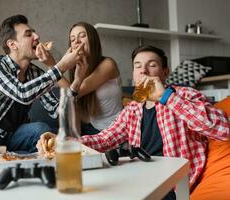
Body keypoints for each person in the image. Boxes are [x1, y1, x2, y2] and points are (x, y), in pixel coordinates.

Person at [37, 45, 230, 198]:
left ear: (165, 72)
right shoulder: (133, 109)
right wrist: (64, 142)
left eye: (152, 65)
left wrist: (166, 97)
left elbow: (222, 129)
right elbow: (105, 139)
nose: (143, 70)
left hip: (173, 185)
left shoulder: (184, 95)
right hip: (140, 179)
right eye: (137, 66)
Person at [0, 14, 84, 165]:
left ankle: (44, 173)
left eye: (35, 32)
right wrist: (62, 66)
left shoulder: (35, 73)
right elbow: (22, 93)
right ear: (12, 44)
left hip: (15, 136)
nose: (37, 37)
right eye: (28, 34)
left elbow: (57, 109)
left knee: (41, 129)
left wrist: (76, 83)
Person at [67, 22, 123, 135]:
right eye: (72, 39)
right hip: (93, 130)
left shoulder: (108, 64)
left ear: (93, 40)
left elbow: (76, 92)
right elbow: (72, 99)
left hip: (116, 130)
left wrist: (52, 65)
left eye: (82, 36)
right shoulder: (77, 68)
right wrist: (76, 141)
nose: (76, 41)